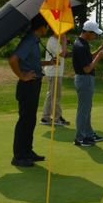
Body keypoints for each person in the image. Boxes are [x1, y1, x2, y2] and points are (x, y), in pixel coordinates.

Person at [8, 15, 54, 167]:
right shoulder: (29, 41)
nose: (47, 29)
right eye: (46, 26)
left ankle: (27, 151)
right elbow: (13, 59)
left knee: (30, 119)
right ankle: (19, 156)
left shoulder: (34, 41)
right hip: (27, 86)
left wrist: (49, 62)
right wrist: (22, 76)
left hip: (34, 84)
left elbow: (32, 62)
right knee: (25, 120)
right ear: (41, 27)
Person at [72, 20, 103, 147]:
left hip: (85, 79)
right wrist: (99, 57)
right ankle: (80, 138)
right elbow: (87, 68)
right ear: (87, 32)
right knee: (83, 110)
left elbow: (89, 57)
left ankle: (88, 134)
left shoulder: (83, 43)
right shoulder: (80, 46)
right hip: (84, 79)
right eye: (94, 34)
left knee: (86, 109)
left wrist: (99, 49)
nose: (95, 36)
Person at [40, 32, 70, 126]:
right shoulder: (53, 41)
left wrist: (63, 42)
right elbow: (62, 53)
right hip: (54, 72)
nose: (64, 33)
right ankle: (57, 118)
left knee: (51, 95)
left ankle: (45, 117)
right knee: (55, 96)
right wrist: (64, 41)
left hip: (55, 72)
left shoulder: (56, 41)